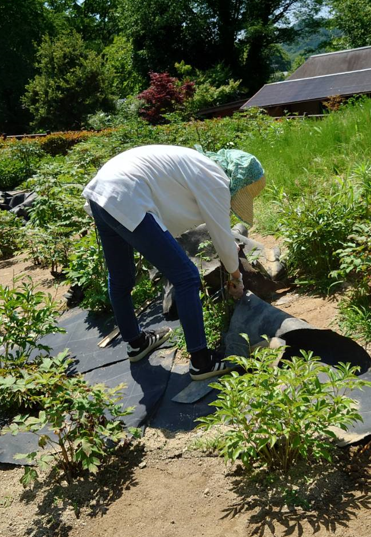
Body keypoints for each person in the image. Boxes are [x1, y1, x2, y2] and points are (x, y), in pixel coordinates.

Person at [82, 144, 266, 381]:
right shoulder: (215, 179)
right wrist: (236, 276)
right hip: (125, 194)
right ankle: (202, 361)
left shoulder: (194, 164)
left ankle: (136, 343)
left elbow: (172, 219)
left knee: (121, 277)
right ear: (238, 181)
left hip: (102, 195)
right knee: (187, 277)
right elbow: (221, 235)